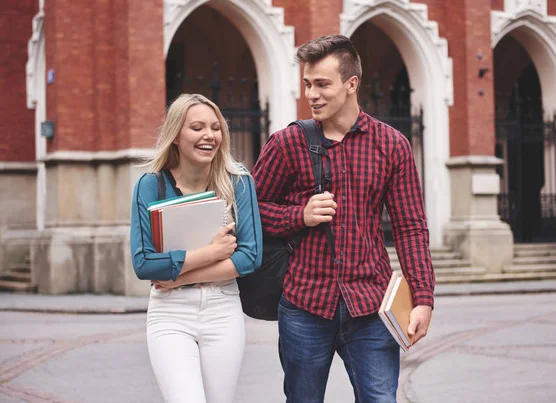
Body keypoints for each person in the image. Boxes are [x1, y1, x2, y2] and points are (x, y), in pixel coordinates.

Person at [251, 35, 435, 402]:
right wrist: (298, 215)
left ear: (351, 84)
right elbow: (249, 211)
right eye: (307, 84)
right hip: (304, 303)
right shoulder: (287, 144)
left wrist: (423, 297)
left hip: (371, 304)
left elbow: (410, 227)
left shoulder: (391, 145)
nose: (312, 95)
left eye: (322, 84)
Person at [129, 93, 262, 403]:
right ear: (176, 135)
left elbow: (250, 256)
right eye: (197, 127)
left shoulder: (239, 182)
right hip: (170, 313)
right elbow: (144, 263)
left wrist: (179, 275)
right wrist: (210, 253)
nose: (209, 136)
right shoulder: (151, 185)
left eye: (216, 128)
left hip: (222, 309)